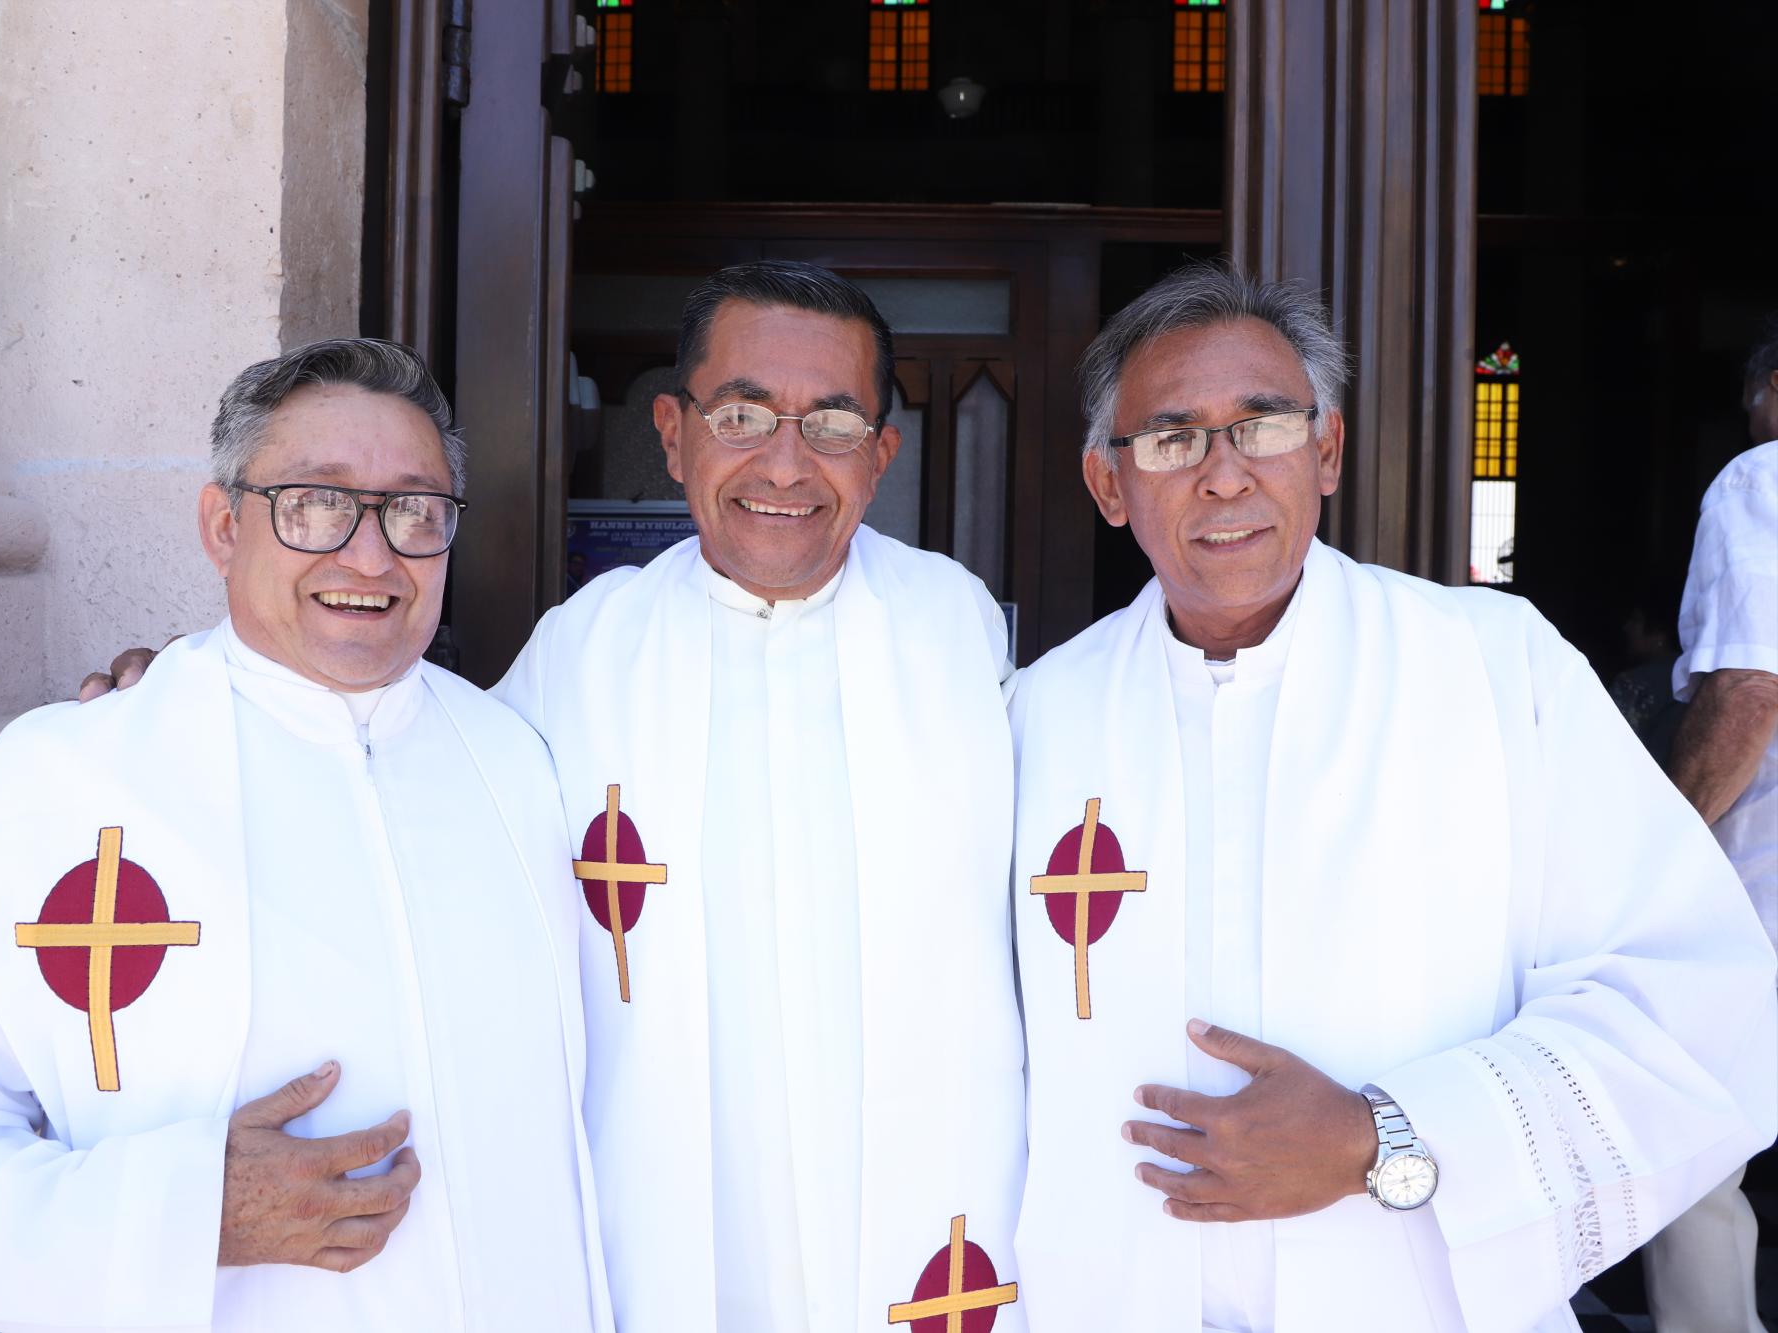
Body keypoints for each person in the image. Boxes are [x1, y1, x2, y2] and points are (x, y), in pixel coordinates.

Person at [1007, 263, 1777, 1331]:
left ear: (1325, 450)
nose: (1224, 475)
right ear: (1107, 483)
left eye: (1263, 427)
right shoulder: (1037, 717)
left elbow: (1694, 998)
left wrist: (1386, 1135)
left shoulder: (1492, 668)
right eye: (1172, 438)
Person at [0, 339, 611, 1332]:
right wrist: (181, 1216)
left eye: (414, 510)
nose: (370, 555)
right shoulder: (68, 778)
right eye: (316, 502)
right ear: (224, 526)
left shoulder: (517, 762)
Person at [494, 261, 1025, 1331]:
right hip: (667, 1217)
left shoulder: (955, 628)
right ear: (673, 433)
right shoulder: (581, 653)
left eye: (832, 424)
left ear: (881, 454)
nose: (785, 463)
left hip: (926, 1219)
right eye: (739, 416)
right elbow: (430, 816)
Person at [1641, 327, 1778, 1333]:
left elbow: (1748, 689)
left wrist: (1659, 854)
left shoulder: (1761, 479)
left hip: (1758, 891)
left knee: (1688, 1143)